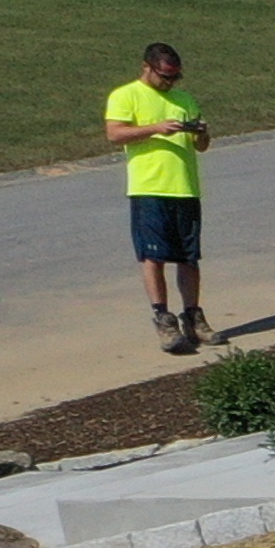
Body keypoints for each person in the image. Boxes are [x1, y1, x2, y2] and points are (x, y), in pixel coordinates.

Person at [106, 40, 206, 355]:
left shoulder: (184, 99)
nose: (169, 83)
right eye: (164, 77)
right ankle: (163, 319)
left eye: (174, 78)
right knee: (154, 257)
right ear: (147, 68)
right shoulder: (125, 95)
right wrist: (156, 128)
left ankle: (193, 317)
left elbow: (201, 146)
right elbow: (115, 134)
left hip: (185, 187)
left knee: (189, 257)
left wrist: (201, 132)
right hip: (149, 187)